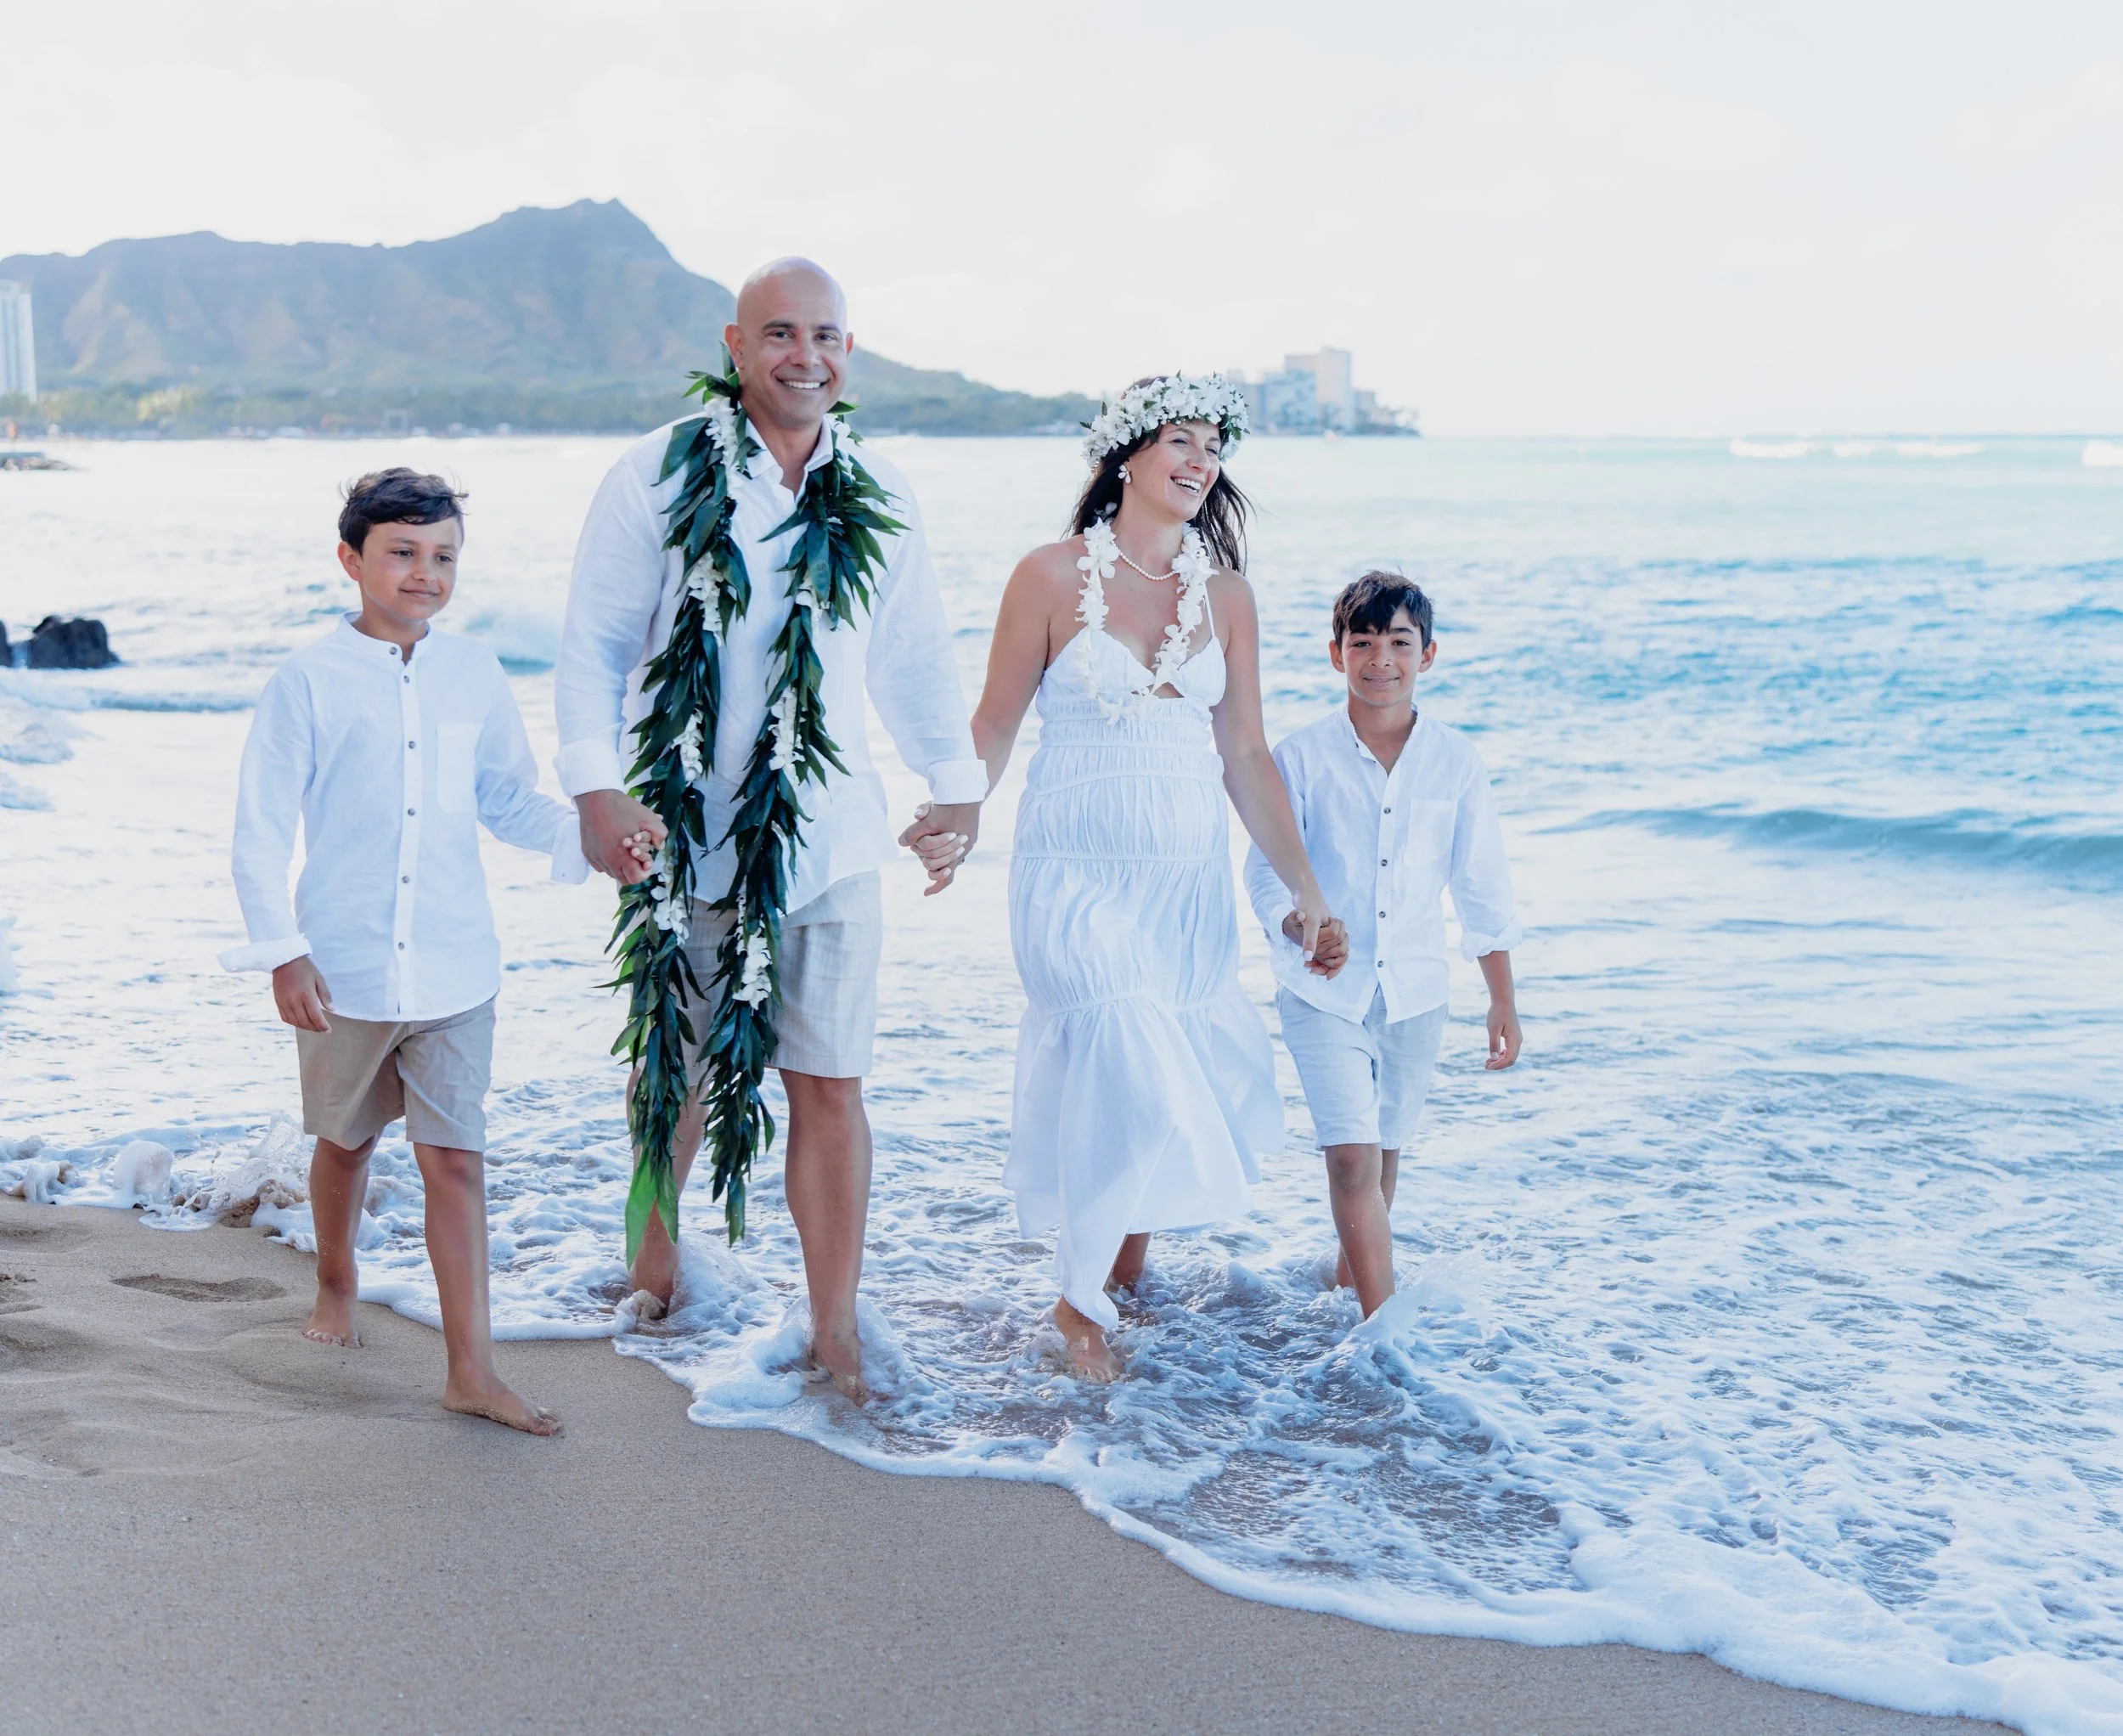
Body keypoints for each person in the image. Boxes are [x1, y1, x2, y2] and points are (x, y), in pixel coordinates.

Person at [555, 259, 986, 1399]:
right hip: (678, 828)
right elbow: (594, 646)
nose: (808, 355)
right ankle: (653, 1272)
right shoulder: (655, 474)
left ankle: (834, 1324)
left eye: (829, 335)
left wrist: (957, 783)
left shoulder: (877, 491)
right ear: (735, 343)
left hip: (831, 845)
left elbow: (912, 655)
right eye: (783, 333)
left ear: (850, 351)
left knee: (831, 1081)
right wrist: (599, 789)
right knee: (675, 1073)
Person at [912, 375, 1345, 1379]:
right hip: (1071, 868)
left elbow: (1246, 755)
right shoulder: (1048, 576)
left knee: (1151, 1070)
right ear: (1126, 455)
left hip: (1181, 879)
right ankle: (1077, 1307)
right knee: (1121, 1047)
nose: (1200, 462)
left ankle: (1120, 1276)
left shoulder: (1227, 596)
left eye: (1212, 447)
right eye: (1180, 441)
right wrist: (958, 810)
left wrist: (1304, 892)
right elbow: (996, 720)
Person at [221, 467, 617, 1435]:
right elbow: (260, 829)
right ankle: (335, 1282)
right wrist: (283, 950)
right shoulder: (307, 679)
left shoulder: (474, 673)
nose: (425, 573)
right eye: (402, 552)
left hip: (454, 967)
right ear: (351, 558)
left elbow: (505, 797)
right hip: (345, 967)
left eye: (443, 557)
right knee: (346, 1146)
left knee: (455, 1162)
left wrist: (592, 838)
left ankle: (472, 1369)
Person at [1243, 572, 1523, 1318]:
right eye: (1361, 642)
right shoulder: (1298, 758)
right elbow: (1267, 872)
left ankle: (1346, 1288)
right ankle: (1383, 1331)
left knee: (1385, 1149)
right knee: (1350, 1156)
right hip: (1320, 989)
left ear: (1428, 655)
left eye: (1399, 642)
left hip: (1416, 992)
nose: (1380, 659)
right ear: (1336, 654)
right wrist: (1303, 925)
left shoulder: (1456, 762)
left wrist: (1502, 998)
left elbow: (1480, 887)